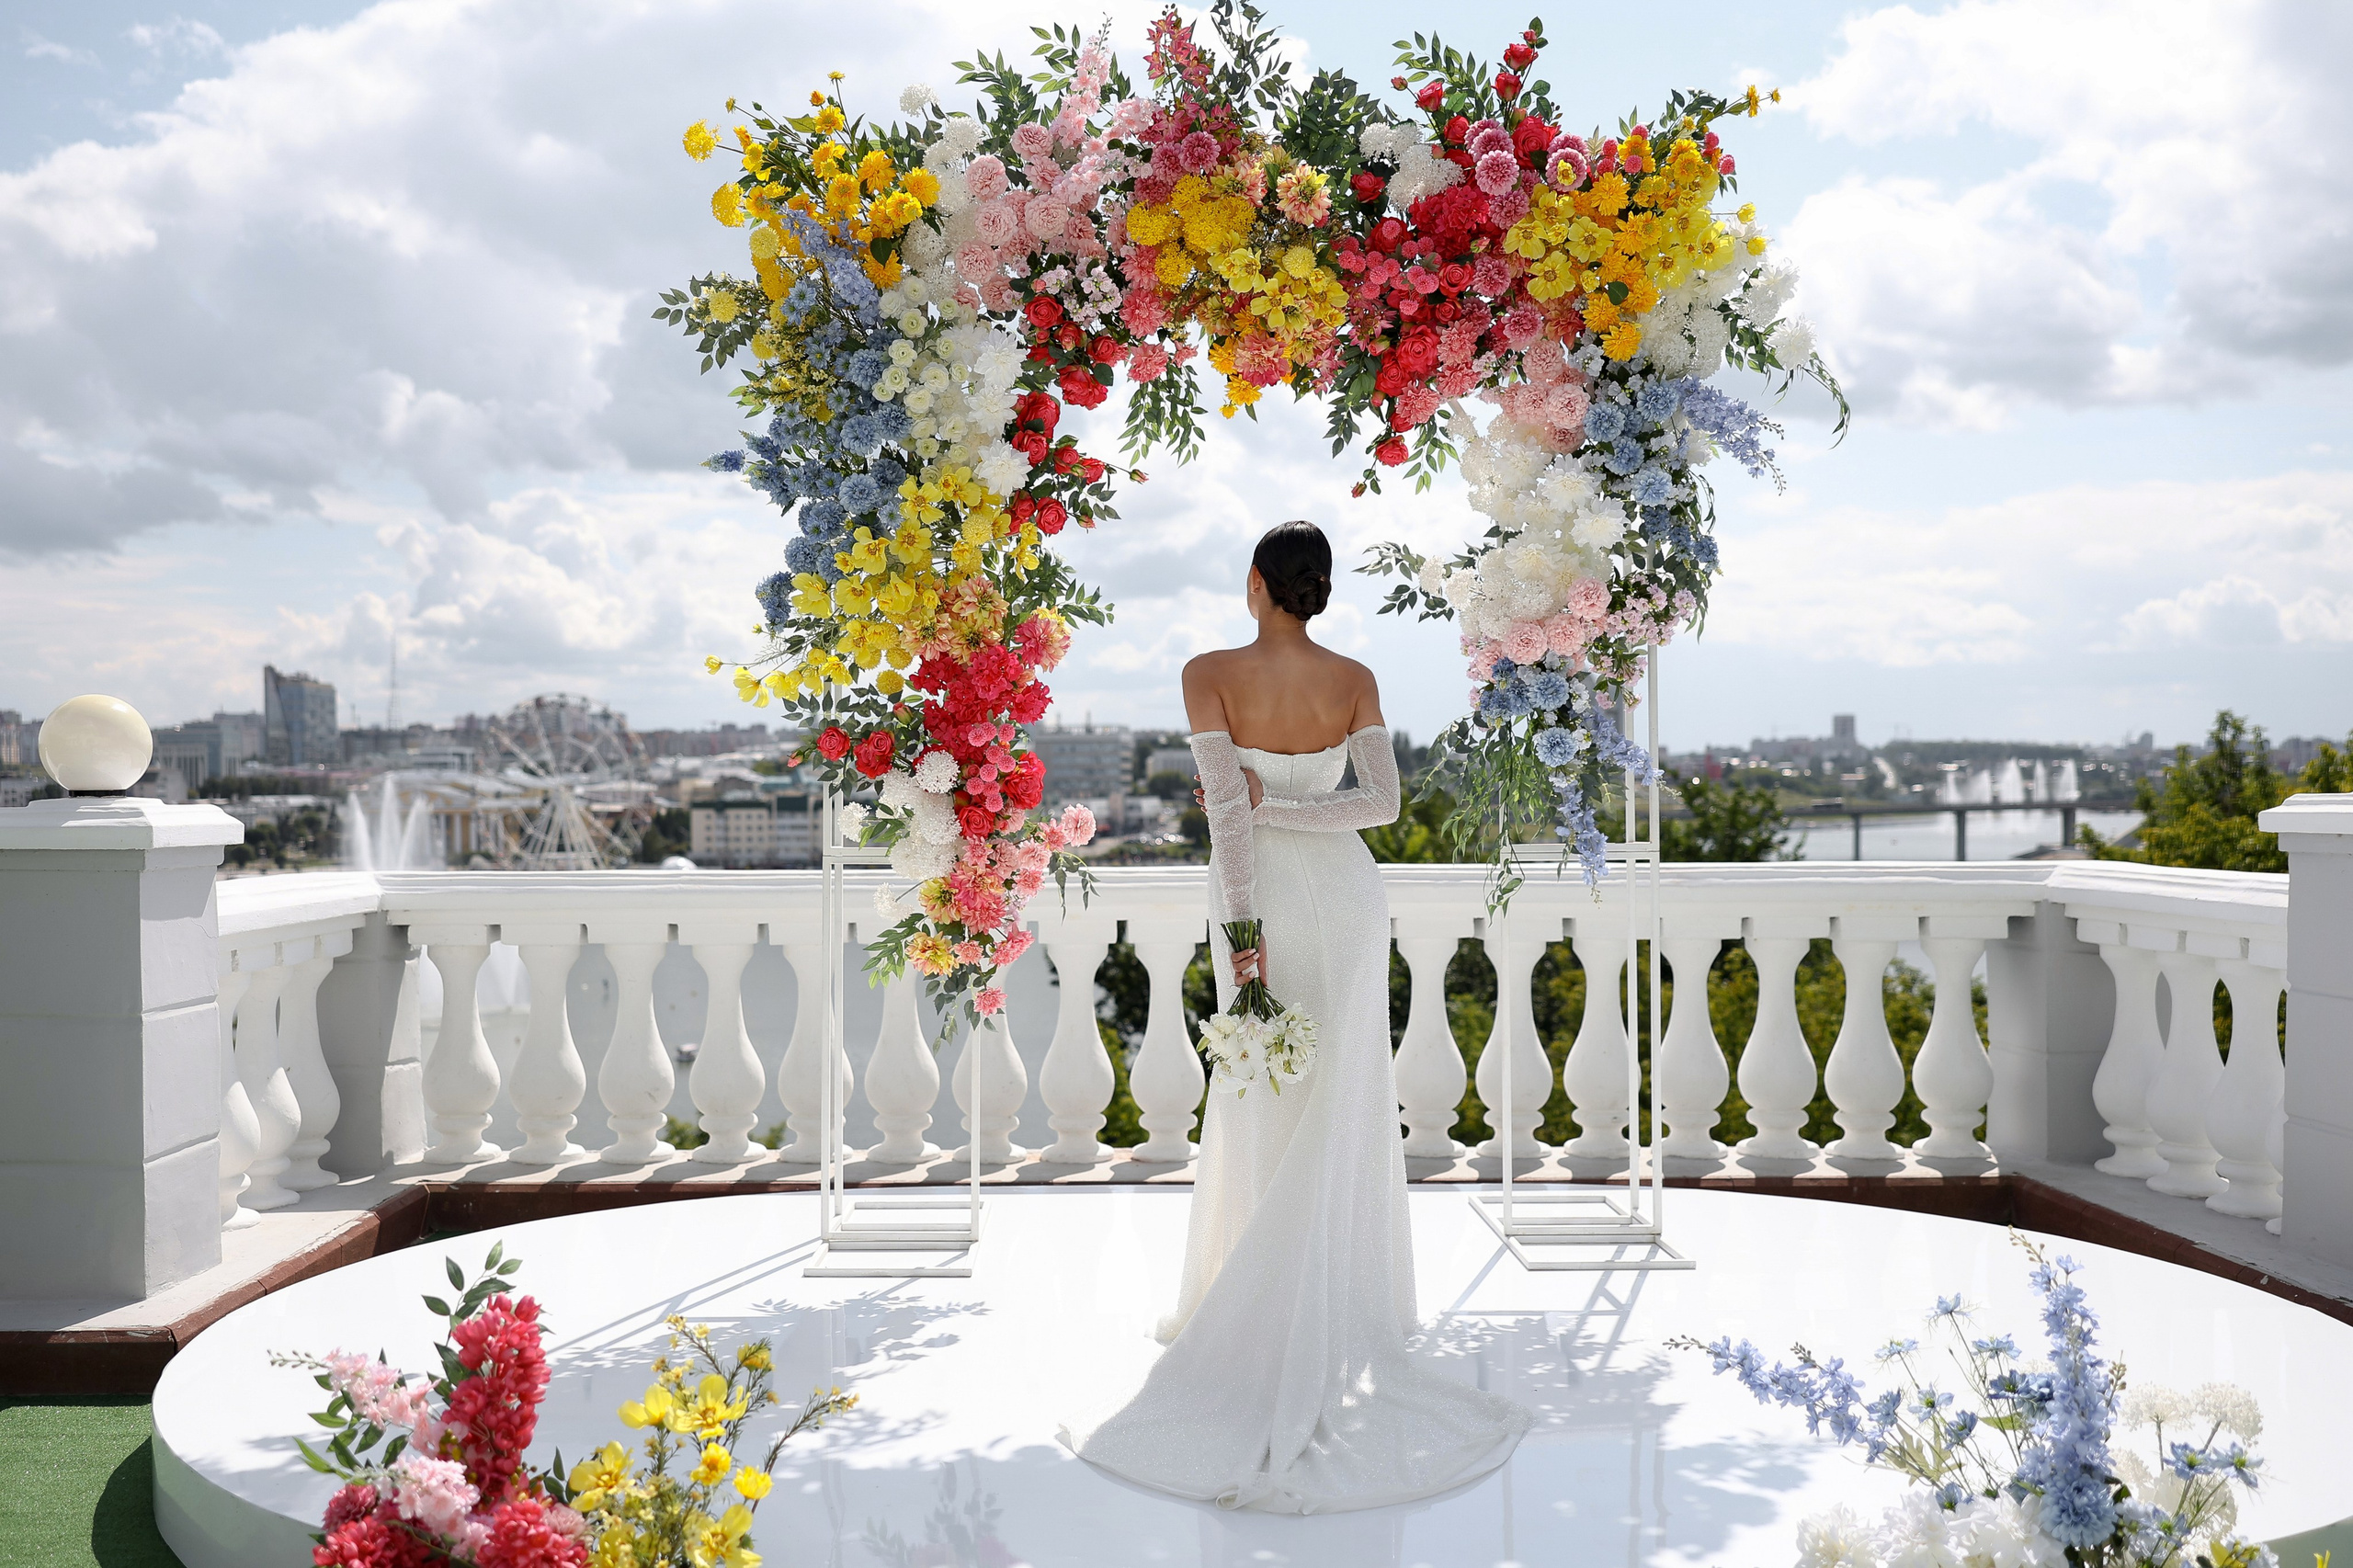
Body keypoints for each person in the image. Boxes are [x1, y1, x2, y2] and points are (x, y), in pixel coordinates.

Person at [1064, 520, 1531, 1513]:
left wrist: (1242, 931)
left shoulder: (1206, 670)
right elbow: (1378, 806)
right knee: (1341, 1095)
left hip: (1266, 898)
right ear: (1315, 589)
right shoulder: (1354, 673)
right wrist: (1284, 803)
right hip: (1351, 903)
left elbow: (1232, 816)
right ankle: (1337, 1301)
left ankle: (1249, 1297)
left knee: (1261, 1090)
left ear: (1254, 583)